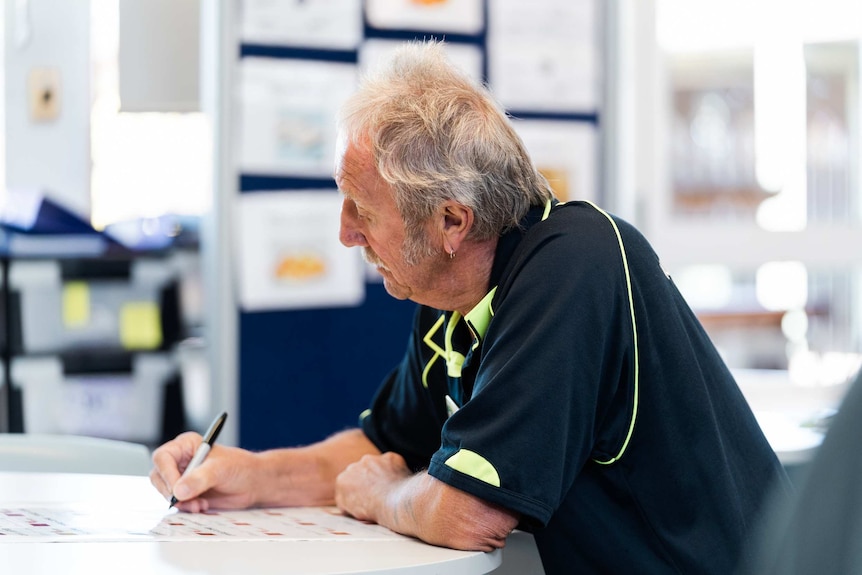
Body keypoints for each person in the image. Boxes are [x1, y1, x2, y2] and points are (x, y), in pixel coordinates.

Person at [150, 40, 791, 574]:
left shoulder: (577, 261)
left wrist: (385, 498)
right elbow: (383, 449)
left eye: (363, 210)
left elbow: (468, 515)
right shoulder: (452, 291)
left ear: (451, 221)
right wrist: (249, 475)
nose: (347, 233)